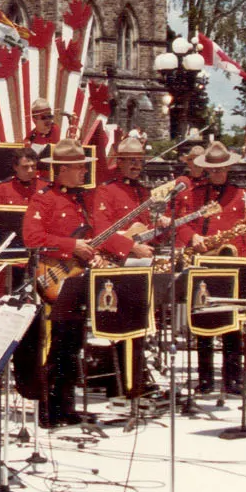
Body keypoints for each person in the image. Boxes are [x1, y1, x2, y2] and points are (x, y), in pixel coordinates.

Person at [23, 138, 135, 427]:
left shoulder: (83, 200)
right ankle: (49, 411)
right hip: (54, 278)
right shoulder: (43, 199)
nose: (84, 172)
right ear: (61, 170)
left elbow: (98, 233)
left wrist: (108, 251)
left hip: (77, 279)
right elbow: (33, 239)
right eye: (78, 167)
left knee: (73, 344)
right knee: (59, 344)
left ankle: (67, 407)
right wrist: (71, 246)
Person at [176, 141, 246, 394]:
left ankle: (232, 378)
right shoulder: (193, 194)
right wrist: (192, 238)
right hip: (203, 260)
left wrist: (245, 261)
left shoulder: (243, 195)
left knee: (232, 324)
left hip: (232, 264)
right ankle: (205, 379)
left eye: (221, 169)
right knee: (203, 320)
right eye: (212, 170)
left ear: (229, 168)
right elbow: (180, 224)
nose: (217, 174)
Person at [90, 135, 159, 397]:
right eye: (130, 160)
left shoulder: (144, 192)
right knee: (120, 326)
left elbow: (145, 231)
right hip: (116, 265)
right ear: (118, 162)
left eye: (139, 161)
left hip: (140, 267)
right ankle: (122, 384)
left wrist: (160, 229)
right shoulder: (106, 190)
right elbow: (102, 231)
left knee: (141, 325)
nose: (135, 165)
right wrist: (131, 247)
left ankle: (137, 379)